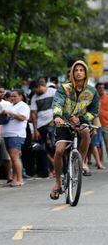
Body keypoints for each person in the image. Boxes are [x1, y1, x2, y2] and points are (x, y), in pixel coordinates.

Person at [50, 61, 99, 199]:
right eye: (76, 70)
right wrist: (57, 116)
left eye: (81, 70)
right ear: (72, 73)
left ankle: (81, 162)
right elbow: (57, 103)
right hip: (64, 123)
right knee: (59, 151)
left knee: (85, 133)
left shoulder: (92, 91)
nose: (78, 72)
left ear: (85, 73)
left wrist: (82, 119)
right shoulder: (64, 88)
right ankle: (58, 183)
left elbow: (94, 111)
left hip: (80, 123)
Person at [1, 89, 30, 187]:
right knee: (12, 158)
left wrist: (11, 113)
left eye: (15, 96)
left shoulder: (23, 105)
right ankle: (14, 179)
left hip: (16, 134)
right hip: (7, 134)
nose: (12, 98)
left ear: (21, 96)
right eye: (11, 96)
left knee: (15, 157)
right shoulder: (10, 105)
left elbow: (23, 117)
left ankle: (20, 179)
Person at [30, 80, 57, 178]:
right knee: (40, 148)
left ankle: (60, 168)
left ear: (41, 86)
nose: (35, 92)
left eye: (36, 89)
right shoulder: (34, 98)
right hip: (40, 125)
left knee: (54, 146)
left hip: (53, 123)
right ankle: (47, 170)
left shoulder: (53, 92)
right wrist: (35, 129)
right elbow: (33, 114)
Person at [96, 83, 108, 161]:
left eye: (103, 88)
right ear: (97, 89)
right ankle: (100, 161)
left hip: (106, 124)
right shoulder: (94, 98)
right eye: (100, 88)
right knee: (98, 144)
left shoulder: (107, 97)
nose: (101, 89)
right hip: (96, 125)